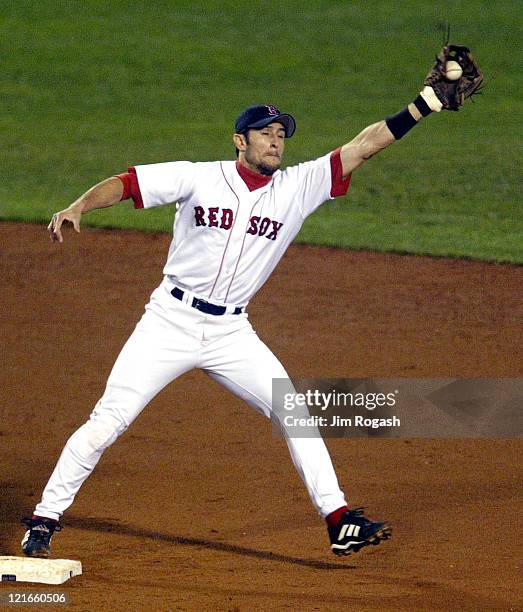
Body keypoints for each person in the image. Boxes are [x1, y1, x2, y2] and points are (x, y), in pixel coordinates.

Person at [21, 81, 445, 559]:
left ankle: (338, 519)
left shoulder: (297, 188)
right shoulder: (199, 177)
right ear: (239, 140)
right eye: (265, 133)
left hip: (231, 333)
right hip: (169, 322)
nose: (276, 141)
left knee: (295, 414)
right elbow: (128, 183)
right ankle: (43, 519)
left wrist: (425, 104)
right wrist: (79, 205)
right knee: (108, 420)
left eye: (281, 134)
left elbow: (364, 146)